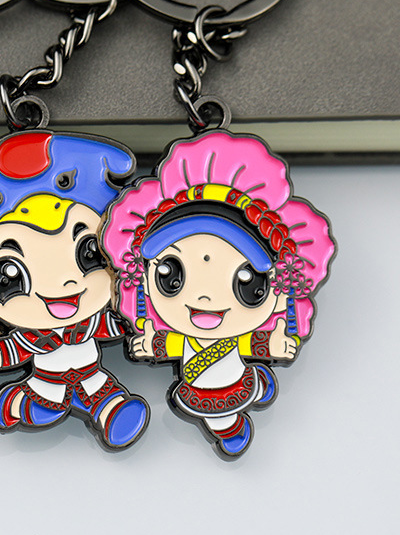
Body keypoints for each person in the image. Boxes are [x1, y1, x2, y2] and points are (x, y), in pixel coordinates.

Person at [101, 130, 335, 457]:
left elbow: (249, 343)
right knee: (217, 415)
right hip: (200, 386)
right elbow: (170, 344)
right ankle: (244, 405)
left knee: (224, 412)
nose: (205, 298)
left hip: (224, 379)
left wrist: (275, 344)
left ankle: (245, 405)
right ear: (145, 278)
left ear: (279, 288)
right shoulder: (179, 333)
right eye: (171, 276)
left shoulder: (236, 333)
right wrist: (149, 343)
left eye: (247, 284)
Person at [0, 130, 149, 450]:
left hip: (94, 378)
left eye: (88, 254)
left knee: (107, 397)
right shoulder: (30, 335)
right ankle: (15, 402)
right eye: (11, 275)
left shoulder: (93, 321)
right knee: (42, 405)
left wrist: (141, 318)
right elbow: (14, 349)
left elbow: (120, 322)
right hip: (45, 383)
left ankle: (113, 415)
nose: (63, 283)